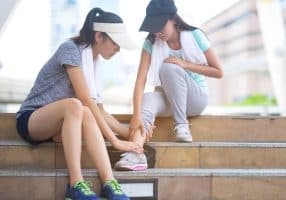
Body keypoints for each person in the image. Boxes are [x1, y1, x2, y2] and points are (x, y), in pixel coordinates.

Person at [15, 8, 142, 200]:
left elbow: (98, 110)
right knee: (77, 105)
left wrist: (129, 133)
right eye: (116, 43)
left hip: (59, 126)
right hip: (32, 119)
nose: (118, 49)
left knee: (86, 112)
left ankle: (109, 183)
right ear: (99, 36)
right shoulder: (71, 49)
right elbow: (85, 99)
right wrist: (115, 141)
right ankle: (75, 184)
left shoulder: (94, 61)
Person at [114, 0, 223, 171]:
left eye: (161, 25)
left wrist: (184, 64)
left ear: (173, 18)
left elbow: (218, 71)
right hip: (169, 97)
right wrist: (136, 116)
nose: (158, 31)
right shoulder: (151, 42)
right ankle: (136, 153)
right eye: (154, 26)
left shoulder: (195, 35)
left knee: (168, 67)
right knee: (148, 98)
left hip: (195, 98)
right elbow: (140, 80)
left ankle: (182, 126)